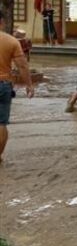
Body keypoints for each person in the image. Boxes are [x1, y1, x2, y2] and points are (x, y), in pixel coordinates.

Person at [0, 10, 34, 164]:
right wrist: (29, 85)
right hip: (3, 84)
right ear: (2, 22)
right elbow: (22, 66)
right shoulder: (12, 41)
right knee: (1, 123)